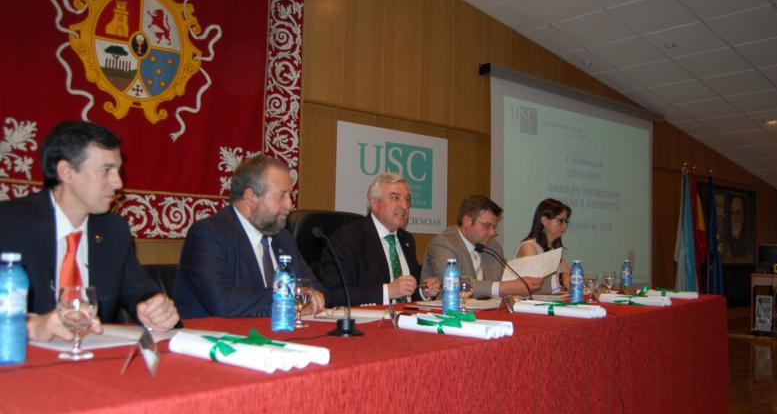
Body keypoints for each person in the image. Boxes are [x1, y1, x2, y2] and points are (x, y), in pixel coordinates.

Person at [0, 120, 180, 342]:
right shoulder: (8, 223)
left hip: (94, 356)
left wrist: (153, 308)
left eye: (117, 171)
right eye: (106, 171)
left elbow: (138, 290)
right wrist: (31, 326)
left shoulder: (114, 229)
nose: (118, 183)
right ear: (67, 172)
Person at [174, 155, 325, 318]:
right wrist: (288, 297)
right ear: (251, 196)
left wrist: (309, 297)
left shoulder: (283, 238)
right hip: (217, 333)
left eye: (290, 196)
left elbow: (315, 289)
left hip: (276, 331)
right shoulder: (209, 235)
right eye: (282, 195)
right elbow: (222, 302)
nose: (290, 205)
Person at [319, 173, 440, 306]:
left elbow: (408, 293)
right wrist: (388, 291)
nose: (404, 206)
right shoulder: (347, 239)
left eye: (407, 199)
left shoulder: (407, 240)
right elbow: (334, 294)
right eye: (395, 198)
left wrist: (423, 291)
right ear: (374, 203)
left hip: (405, 316)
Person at [421, 195, 542, 299]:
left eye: (494, 227)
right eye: (487, 226)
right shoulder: (443, 244)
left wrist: (549, 282)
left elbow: (510, 277)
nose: (492, 233)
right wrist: (502, 288)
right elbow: (454, 284)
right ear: (467, 221)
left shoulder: (493, 246)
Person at [516, 198, 572, 293]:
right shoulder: (528, 246)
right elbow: (535, 284)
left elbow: (570, 277)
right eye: (561, 221)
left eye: (566, 221)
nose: (565, 226)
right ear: (545, 221)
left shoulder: (553, 249)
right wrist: (562, 279)